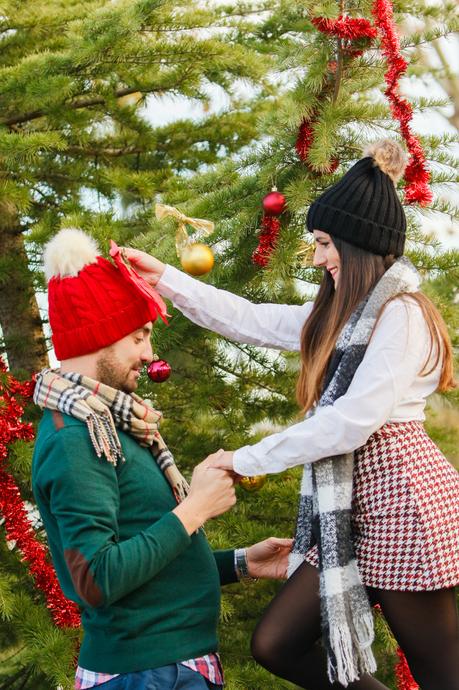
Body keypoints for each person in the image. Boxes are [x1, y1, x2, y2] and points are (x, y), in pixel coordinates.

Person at [122, 139, 459, 690]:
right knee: (276, 643)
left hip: (403, 510)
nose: (320, 256)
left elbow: (351, 421)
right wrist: (166, 279)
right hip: (349, 513)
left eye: (326, 244)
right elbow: (251, 320)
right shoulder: (342, 316)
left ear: (360, 243)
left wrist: (248, 456)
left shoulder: (402, 316)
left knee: (442, 676)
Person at [31, 228, 293, 690]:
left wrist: (242, 563)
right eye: (140, 335)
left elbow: (146, 562)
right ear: (102, 335)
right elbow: (96, 579)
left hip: (168, 671)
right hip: (145, 676)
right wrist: (194, 510)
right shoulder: (75, 436)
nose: (149, 354)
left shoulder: (115, 424)